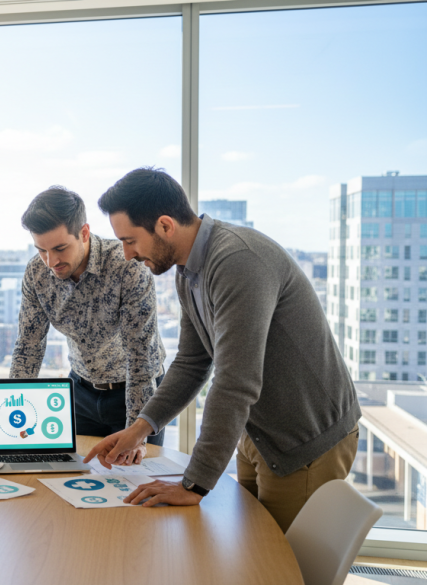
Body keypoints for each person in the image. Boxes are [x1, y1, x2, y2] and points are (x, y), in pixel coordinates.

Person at [88, 167, 360, 531]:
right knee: (250, 553)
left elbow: (235, 381)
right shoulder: (189, 272)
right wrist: (139, 429)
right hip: (258, 436)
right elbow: (191, 363)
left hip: (303, 441)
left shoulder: (236, 261)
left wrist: (193, 483)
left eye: (131, 240)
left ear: (165, 226)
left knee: (279, 569)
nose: (127, 254)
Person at [10, 186, 166, 464]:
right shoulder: (37, 273)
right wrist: (10, 416)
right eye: (42, 250)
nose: (51, 261)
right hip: (79, 394)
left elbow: (141, 357)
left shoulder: (127, 267)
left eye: (60, 248)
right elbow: (28, 347)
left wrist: (137, 433)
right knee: (76, 480)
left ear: (83, 233)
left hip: (136, 393)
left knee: (134, 484)